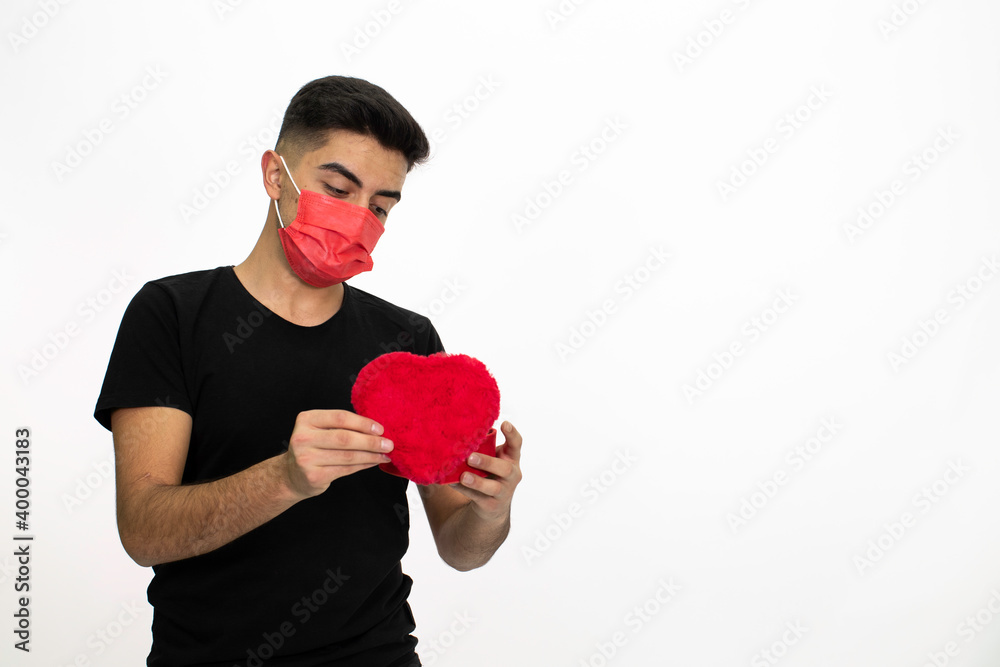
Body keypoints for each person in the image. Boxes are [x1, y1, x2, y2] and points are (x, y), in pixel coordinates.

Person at [93, 75, 523, 667]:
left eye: (379, 206)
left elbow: (460, 548)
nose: (359, 219)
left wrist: (489, 511)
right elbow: (143, 531)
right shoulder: (172, 315)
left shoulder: (408, 342)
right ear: (276, 175)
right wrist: (286, 478)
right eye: (338, 189)